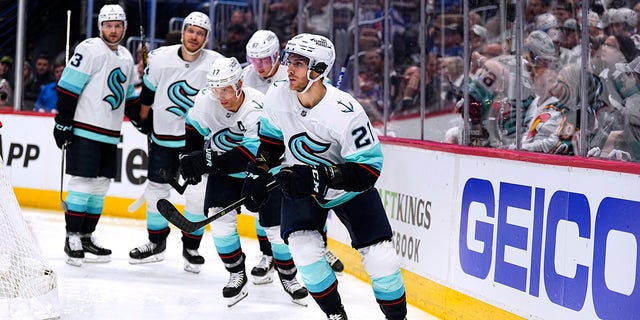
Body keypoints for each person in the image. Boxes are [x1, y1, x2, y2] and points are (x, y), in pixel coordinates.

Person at [240, 33, 407, 320]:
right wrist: (259, 171)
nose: (289, 68)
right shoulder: (278, 96)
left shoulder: (346, 111)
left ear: (317, 70)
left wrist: (320, 176)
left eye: (299, 63)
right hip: (303, 188)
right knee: (304, 253)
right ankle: (335, 315)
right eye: (289, 60)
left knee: (382, 259)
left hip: (349, 190)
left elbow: (369, 170)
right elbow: (270, 142)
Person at [178, 57, 309, 307]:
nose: (221, 96)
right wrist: (189, 158)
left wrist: (207, 160)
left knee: (275, 230)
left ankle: (289, 277)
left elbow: (252, 154)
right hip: (224, 172)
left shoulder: (257, 105)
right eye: (216, 89)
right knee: (219, 222)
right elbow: (193, 128)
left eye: (226, 89)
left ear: (239, 83)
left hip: (263, 171)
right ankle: (236, 273)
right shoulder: (206, 100)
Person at [241, 29, 344, 284]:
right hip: (267, 144)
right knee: (263, 203)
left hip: (299, 147)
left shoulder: (295, 74)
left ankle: (320, 248)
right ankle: (268, 255)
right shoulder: (246, 76)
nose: (260, 66)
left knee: (312, 201)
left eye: (265, 60)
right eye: (255, 61)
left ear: (277, 56)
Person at [126, 11, 224, 273]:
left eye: (200, 33)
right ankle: (155, 243)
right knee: (156, 191)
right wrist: (143, 118)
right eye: (190, 31)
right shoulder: (160, 58)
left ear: (206, 37)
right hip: (163, 138)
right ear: (182, 32)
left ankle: (191, 248)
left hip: (197, 143)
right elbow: (148, 92)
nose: (194, 36)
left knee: (197, 196)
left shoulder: (216, 63)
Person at [54, 4, 138, 266]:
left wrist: (143, 120)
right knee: (82, 183)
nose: (113, 31)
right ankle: (72, 237)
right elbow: (68, 87)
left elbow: (131, 97)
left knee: (100, 186)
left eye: (117, 26)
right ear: (100, 26)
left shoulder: (126, 56)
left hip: (111, 133)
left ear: (124, 27)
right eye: (108, 25)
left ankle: (87, 236)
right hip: (85, 129)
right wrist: (63, 121)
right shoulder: (89, 49)